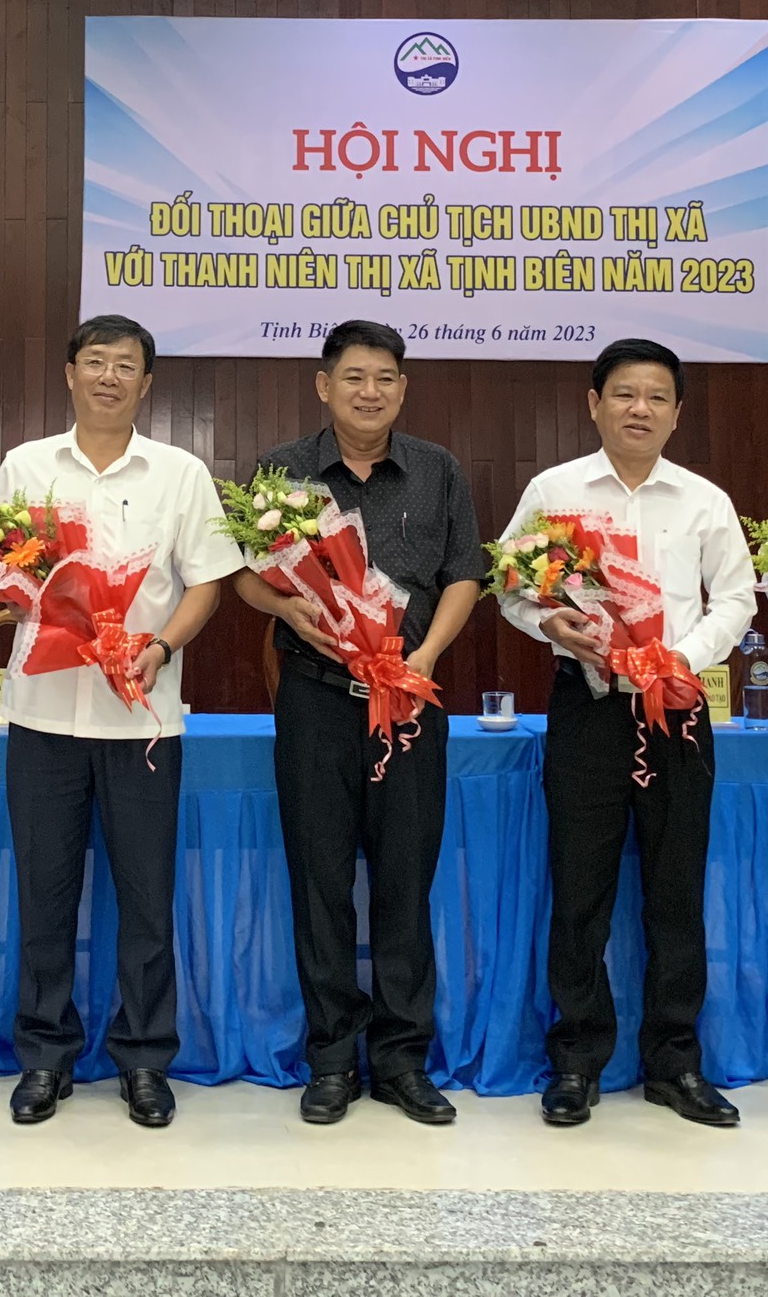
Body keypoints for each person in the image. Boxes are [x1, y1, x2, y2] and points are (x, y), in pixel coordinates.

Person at [0, 314, 242, 1129]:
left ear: (146, 383)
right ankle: (44, 1056)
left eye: (124, 365)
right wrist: (26, 595)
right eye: (94, 362)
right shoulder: (26, 465)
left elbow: (206, 581)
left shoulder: (180, 473)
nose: (108, 376)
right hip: (42, 717)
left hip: (143, 722)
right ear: (69, 373)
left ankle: (143, 1060)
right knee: (44, 897)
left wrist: (162, 647)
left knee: (145, 902)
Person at [235, 320, 484, 1127]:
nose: (368, 392)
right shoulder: (282, 472)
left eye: (384, 379)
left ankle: (403, 1060)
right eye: (353, 377)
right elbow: (244, 575)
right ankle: (333, 1059)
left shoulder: (439, 470)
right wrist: (286, 611)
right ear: (324, 385)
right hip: (315, 699)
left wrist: (428, 656)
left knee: (405, 882)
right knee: (321, 882)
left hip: (409, 697)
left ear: (402, 390)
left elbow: (465, 573)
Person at [503, 337, 755, 1129]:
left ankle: (675, 1063)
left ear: (677, 413)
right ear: (594, 404)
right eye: (623, 393)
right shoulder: (554, 490)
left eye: (655, 397)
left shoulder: (703, 500)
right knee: (581, 888)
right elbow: (510, 586)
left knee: (676, 891)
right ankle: (577, 1061)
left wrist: (679, 658)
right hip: (588, 706)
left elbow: (737, 600)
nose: (638, 409)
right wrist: (550, 623)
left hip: (676, 706)